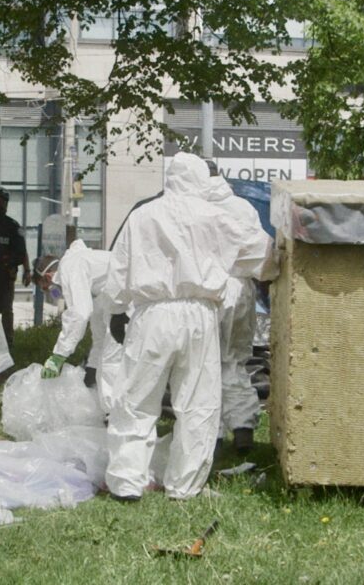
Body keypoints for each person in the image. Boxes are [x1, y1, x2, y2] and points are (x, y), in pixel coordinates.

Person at [103, 152, 276, 501]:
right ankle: (184, 486)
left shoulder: (143, 215)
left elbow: (119, 268)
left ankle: (125, 481)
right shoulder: (216, 215)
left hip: (151, 313)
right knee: (198, 402)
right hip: (200, 313)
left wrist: (117, 310)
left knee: (136, 399)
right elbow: (264, 257)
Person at [207, 172, 277, 456]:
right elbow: (262, 249)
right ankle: (243, 427)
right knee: (234, 361)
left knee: (205, 365)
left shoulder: (196, 208)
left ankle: (212, 435)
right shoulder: (242, 207)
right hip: (242, 289)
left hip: (210, 291)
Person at [33, 240, 123, 413]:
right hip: (119, 299)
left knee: (112, 361)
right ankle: (111, 411)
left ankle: (113, 417)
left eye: (46, 288)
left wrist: (59, 355)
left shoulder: (70, 269)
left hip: (129, 300)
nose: (52, 292)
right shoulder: (89, 279)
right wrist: (91, 371)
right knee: (107, 351)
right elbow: (99, 336)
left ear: (48, 277)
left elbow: (79, 314)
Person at [0, 186, 31, 346]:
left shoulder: (12, 226)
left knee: (6, 311)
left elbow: (22, 251)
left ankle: (7, 343)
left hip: (4, 278)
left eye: (1, 202)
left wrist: (27, 270)